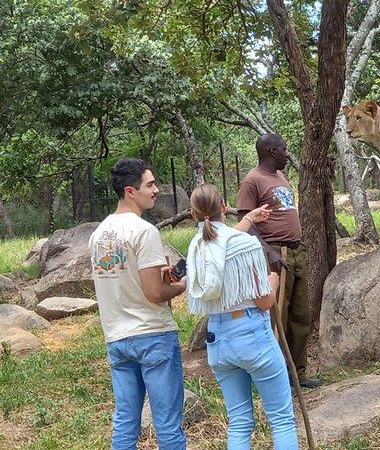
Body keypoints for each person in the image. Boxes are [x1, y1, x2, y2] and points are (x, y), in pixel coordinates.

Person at [187, 183, 299, 450]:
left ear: (193, 215)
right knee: (281, 419)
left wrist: (249, 219)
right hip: (251, 334)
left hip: (218, 340)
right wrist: (272, 284)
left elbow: (221, 243)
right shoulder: (246, 244)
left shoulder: (197, 247)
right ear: (225, 208)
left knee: (238, 421)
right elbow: (264, 302)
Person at [88, 158, 187, 450]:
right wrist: (181, 286)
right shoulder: (145, 231)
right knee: (167, 424)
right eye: (150, 184)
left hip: (117, 337)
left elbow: (124, 278)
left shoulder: (98, 235)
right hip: (152, 334)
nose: (156, 190)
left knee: (125, 421)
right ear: (131, 191)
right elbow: (154, 293)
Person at [236, 133, 321, 389]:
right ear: (272, 152)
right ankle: (276, 378)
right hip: (274, 254)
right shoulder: (252, 181)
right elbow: (245, 222)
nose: (288, 154)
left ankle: (298, 373)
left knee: (300, 315)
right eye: (284, 150)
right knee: (277, 317)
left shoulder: (281, 177)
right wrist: (268, 252)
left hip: (296, 252)